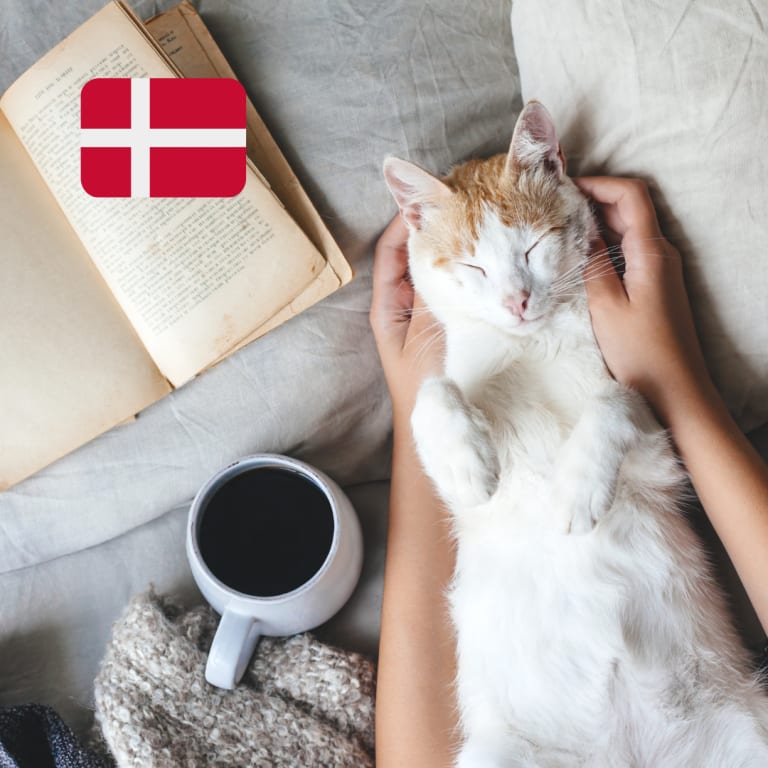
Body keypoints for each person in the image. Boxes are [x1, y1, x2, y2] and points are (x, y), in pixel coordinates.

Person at [369, 175, 768, 768]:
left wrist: (417, 411)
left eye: (533, 251)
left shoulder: (576, 313)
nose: (515, 299)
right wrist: (671, 382)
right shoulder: (470, 350)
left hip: (553, 737)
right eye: (475, 272)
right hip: (689, 719)